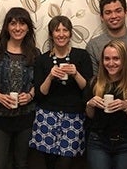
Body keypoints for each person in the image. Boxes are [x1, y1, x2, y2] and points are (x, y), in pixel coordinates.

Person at [29, 15, 94, 169]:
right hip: (47, 115)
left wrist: (76, 74)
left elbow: (88, 90)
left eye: (65, 30)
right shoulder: (42, 59)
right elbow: (40, 93)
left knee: (66, 163)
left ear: (70, 33)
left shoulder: (81, 56)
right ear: (51, 34)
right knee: (48, 161)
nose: (61, 34)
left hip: (74, 116)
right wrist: (50, 77)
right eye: (57, 30)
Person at [0, 7, 39, 169]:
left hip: (26, 118)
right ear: (7, 27)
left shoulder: (35, 53)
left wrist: (30, 95)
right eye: (13, 23)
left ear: (28, 27)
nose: (17, 28)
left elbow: (39, 82)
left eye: (22, 23)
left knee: (21, 163)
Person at [84, 40, 127, 169]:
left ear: (124, 60)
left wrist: (126, 107)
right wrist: (90, 104)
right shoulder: (94, 83)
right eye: (107, 59)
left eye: (116, 58)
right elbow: (90, 116)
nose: (111, 63)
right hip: (98, 141)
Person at [85, 0, 127, 80]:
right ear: (102, 17)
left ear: (125, 13)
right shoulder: (93, 46)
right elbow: (94, 81)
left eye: (118, 11)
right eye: (108, 12)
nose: (114, 16)